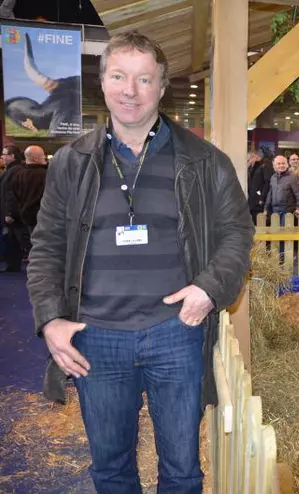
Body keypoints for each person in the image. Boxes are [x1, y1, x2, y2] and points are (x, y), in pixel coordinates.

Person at [26, 31, 254, 493]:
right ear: (104, 82)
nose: (130, 90)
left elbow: (236, 233)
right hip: (96, 338)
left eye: (144, 79)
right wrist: (51, 319)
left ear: (161, 86)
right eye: (119, 76)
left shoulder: (204, 160)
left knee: (183, 471)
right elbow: (46, 245)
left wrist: (210, 288)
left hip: (176, 332)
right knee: (110, 469)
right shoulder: (73, 162)